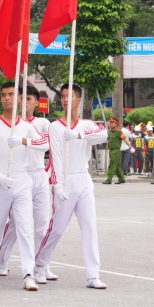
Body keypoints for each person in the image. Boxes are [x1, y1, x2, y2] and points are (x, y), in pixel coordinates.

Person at [35, 83, 110, 289]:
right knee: (57, 228)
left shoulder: (86, 125)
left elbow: (103, 135)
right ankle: (40, 264)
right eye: (63, 96)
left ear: (79, 100)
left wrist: (78, 135)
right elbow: (56, 157)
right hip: (65, 180)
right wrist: (58, 184)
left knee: (89, 227)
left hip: (83, 179)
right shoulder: (55, 127)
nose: (66, 99)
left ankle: (93, 275)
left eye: (71, 96)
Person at [0, 81, 48, 290]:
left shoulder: (27, 127)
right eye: (4, 95)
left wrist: (24, 141)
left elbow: (44, 144)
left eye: (11, 95)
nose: (7, 98)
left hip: (22, 180)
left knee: (25, 227)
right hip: (0, 182)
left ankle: (28, 273)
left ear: (19, 99)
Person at [102, 116, 128, 184]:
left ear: (116, 124)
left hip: (116, 150)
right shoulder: (109, 132)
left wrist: (130, 146)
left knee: (112, 165)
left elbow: (125, 139)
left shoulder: (119, 133)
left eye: (112, 123)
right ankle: (122, 179)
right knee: (117, 165)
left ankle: (109, 179)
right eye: (110, 123)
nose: (111, 124)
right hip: (111, 150)